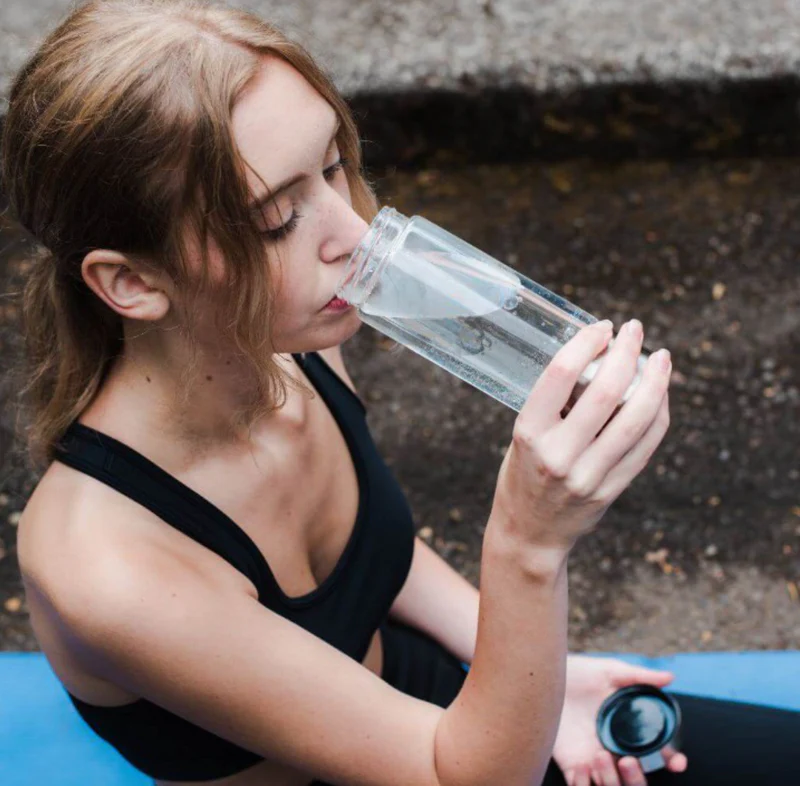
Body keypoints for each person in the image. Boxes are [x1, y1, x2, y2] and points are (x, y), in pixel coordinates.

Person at [4, 2, 798, 785]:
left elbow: (371, 554)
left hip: (443, 717)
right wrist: (527, 548)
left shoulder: (294, 345)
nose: (354, 234)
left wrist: (537, 685)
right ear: (133, 283)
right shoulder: (107, 567)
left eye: (332, 167)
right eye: (277, 219)